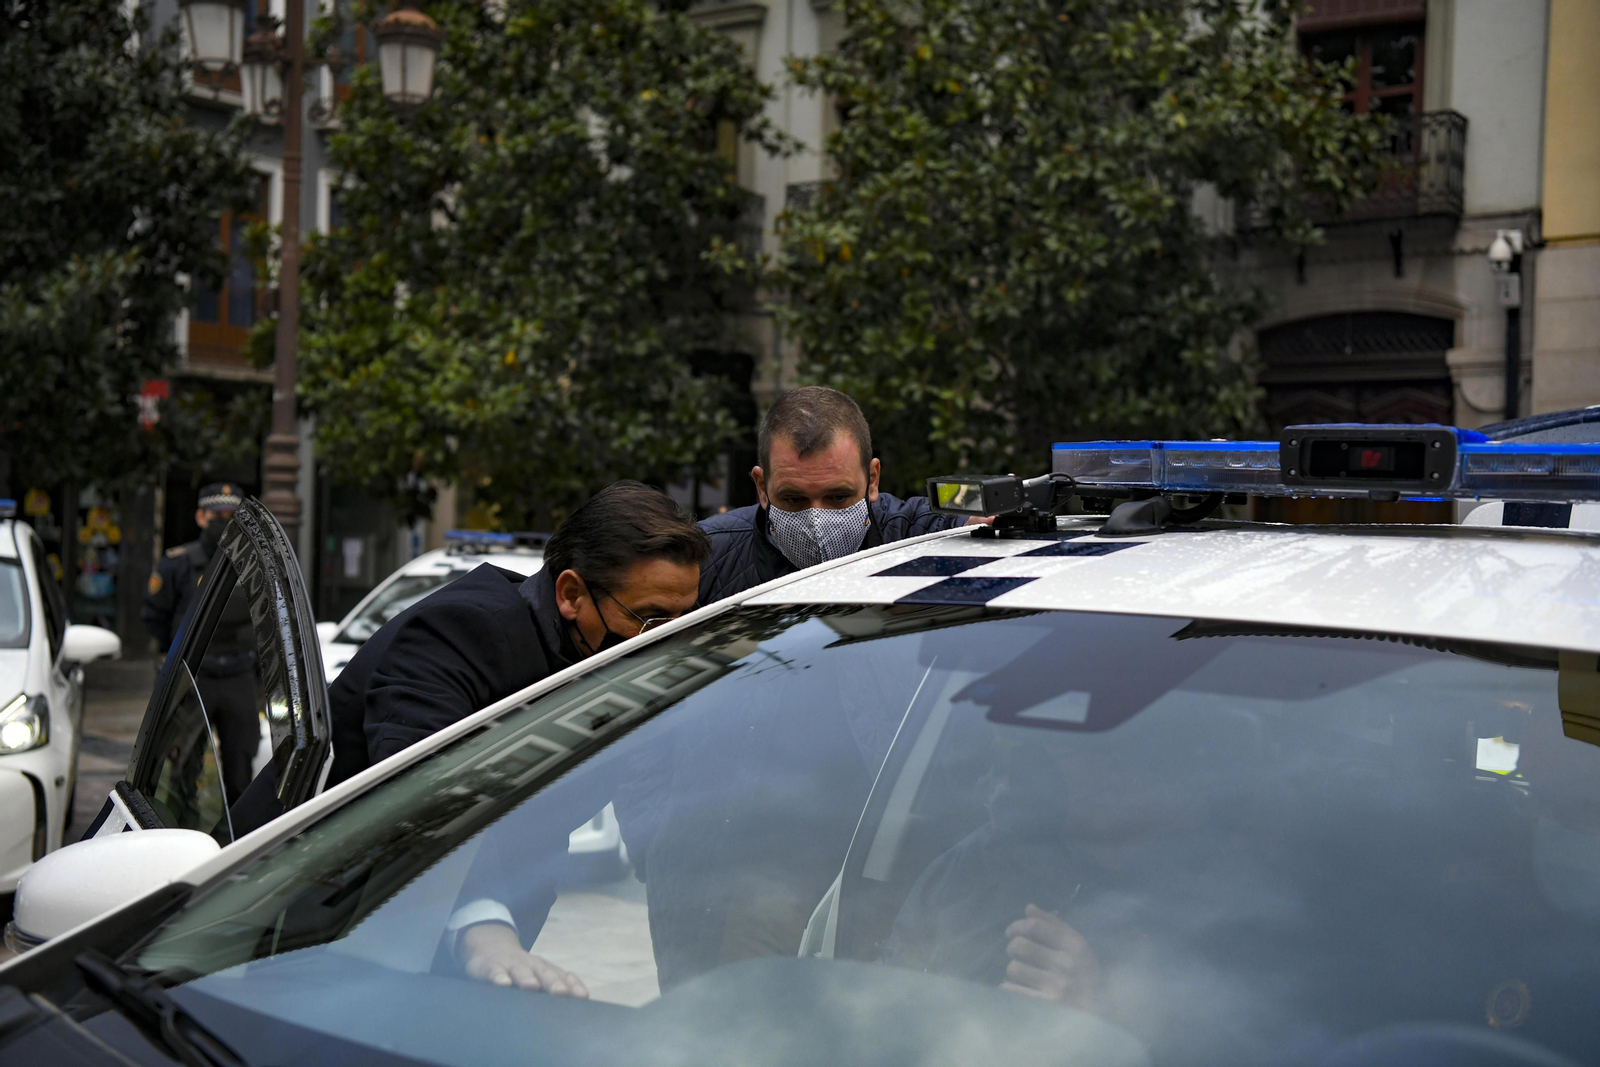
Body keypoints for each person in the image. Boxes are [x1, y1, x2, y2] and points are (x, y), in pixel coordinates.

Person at [321, 481, 709, 996]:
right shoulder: (463, 633)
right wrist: (483, 925)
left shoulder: (608, 661)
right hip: (326, 931)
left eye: (687, 622)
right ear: (572, 594)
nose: (669, 643)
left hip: (490, 942)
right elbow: (420, 793)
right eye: (652, 620)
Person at [697, 386, 971, 604]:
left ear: (872, 480)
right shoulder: (705, 556)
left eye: (838, 497)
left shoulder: (907, 532)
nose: (817, 520)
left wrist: (982, 522)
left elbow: (953, 520)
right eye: (794, 499)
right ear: (761, 487)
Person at [141, 483, 259, 805]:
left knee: (240, 771)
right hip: (194, 677)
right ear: (200, 517)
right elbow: (154, 616)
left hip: (239, 676)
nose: (223, 520)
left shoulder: (253, 565)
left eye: (230, 515)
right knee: (182, 768)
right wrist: (180, 655)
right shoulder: (177, 564)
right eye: (216, 515)